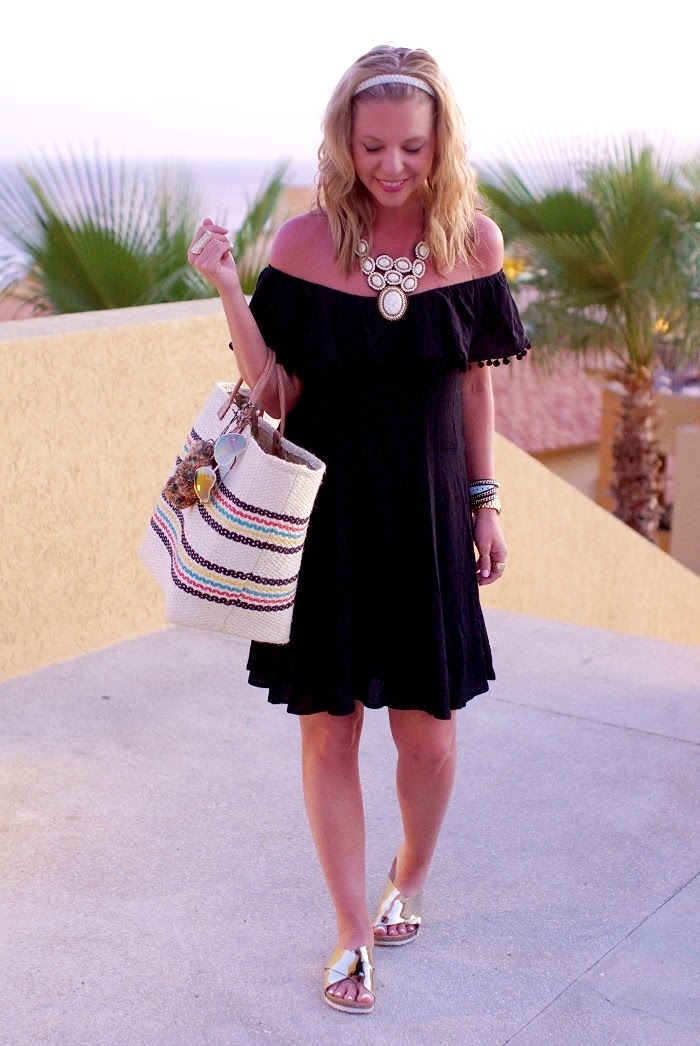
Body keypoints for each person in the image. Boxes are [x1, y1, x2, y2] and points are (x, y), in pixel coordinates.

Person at [187, 44, 531, 1015]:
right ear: (344, 140)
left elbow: (473, 383)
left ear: (439, 144)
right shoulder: (302, 246)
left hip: (427, 525)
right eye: (372, 145)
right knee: (329, 730)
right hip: (327, 526)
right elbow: (274, 393)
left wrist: (484, 500)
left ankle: (409, 872)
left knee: (428, 737)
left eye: (411, 148)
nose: (390, 166)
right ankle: (347, 931)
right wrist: (225, 285)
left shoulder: (473, 243)